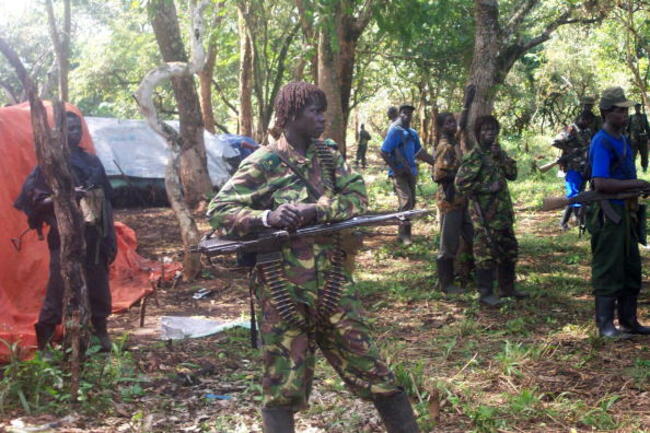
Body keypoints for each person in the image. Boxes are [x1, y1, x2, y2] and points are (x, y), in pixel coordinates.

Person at [207, 82, 420, 433]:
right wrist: (267, 217)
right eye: (314, 112)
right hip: (282, 292)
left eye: (323, 111)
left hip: (335, 285)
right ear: (290, 115)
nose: (322, 118)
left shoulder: (328, 157)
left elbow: (356, 197)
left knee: (373, 368)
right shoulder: (263, 162)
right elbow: (219, 211)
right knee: (281, 384)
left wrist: (316, 211)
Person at [14, 111, 116, 352]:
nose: (75, 133)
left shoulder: (92, 161)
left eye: (77, 128)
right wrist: (67, 196)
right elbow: (36, 199)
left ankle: (100, 332)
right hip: (65, 235)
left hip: (94, 234)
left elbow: (107, 198)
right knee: (59, 286)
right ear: (58, 132)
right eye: (69, 129)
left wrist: (107, 234)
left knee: (98, 283)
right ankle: (45, 339)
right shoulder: (50, 164)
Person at [585, 87, 650, 338]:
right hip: (609, 212)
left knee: (630, 266)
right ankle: (605, 326)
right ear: (605, 112)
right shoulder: (601, 141)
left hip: (627, 212)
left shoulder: (622, 138)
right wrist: (636, 184)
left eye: (626, 110)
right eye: (619, 110)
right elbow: (600, 182)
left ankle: (629, 320)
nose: (625, 114)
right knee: (608, 267)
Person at [455, 115, 529, 306]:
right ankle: (485, 293)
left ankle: (508, 288)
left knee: (509, 249)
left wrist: (501, 157)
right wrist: (487, 187)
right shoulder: (475, 157)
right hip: (484, 215)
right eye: (485, 130)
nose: (490, 134)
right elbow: (461, 185)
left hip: (502, 213)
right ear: (478, 133)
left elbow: (512, 174)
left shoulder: (497, 153)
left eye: (493, 130)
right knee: (485, 254)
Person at [380, 104, 436, 244]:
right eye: (404, 113)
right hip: (399, 174)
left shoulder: (413, 133)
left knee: (411, 203)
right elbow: (384, 151)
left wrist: (436, 163)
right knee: (406, 201)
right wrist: (395, 168)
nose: (407, 116)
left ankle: (403, 233)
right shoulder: (394, 131)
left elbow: (420, 152)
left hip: (411, 172)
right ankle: (405, 236)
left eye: (409, 113)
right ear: (400, 114)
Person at [432, 112, 473, 294]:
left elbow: (461, 126)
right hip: (450, 202)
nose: (452, 125)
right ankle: (445, 284)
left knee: (471, 236)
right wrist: (460, 176)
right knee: (448, 243)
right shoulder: (445, 147)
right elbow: (438, 175)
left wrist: (466, 104)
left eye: (453, 122)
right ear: (441, 127)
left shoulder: (453, 143)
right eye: (448, 123)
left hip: (461, 200)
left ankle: (468, 274)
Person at [552, 113, 592, 231]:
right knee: (573, 195)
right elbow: (555, 142)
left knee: (579, 194)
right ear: (579, 119)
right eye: (584, 119)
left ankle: (565, 222)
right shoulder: (570, 129)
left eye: (588, 120)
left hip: (584, 168)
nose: (586, 121)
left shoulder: (587, 131)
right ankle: (580, 222)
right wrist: (570, 149)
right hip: (573, 167)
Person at [627, 103, 650, 172]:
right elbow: (628, 129)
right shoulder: (631, 117)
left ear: (640, 108)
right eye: (636, 107)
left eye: (639, 107)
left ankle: (644, 168)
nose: (638, 108)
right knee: (632, 155)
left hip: (643, 139)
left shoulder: (644, 116)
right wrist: (629, 137)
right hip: (634, 139)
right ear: (635, 108)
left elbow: (647, 128)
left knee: (644, 155)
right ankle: (632, 169)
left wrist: (648, 137)